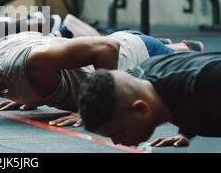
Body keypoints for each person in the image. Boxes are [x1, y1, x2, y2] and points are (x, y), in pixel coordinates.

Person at [0, 31, 202, 127]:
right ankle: (183, 46)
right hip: (130, 44)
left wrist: (97, 106)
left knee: (203, 77)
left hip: (141, 58)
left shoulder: (31, 65)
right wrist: (27, 95)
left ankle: (181, 51)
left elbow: (105, 49)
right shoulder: (1, 63)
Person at [78, 52, 221, 148]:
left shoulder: (207, 83)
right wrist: (186, 130)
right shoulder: (144, 80)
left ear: (141, 109)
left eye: (119, 132)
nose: (116, 142)